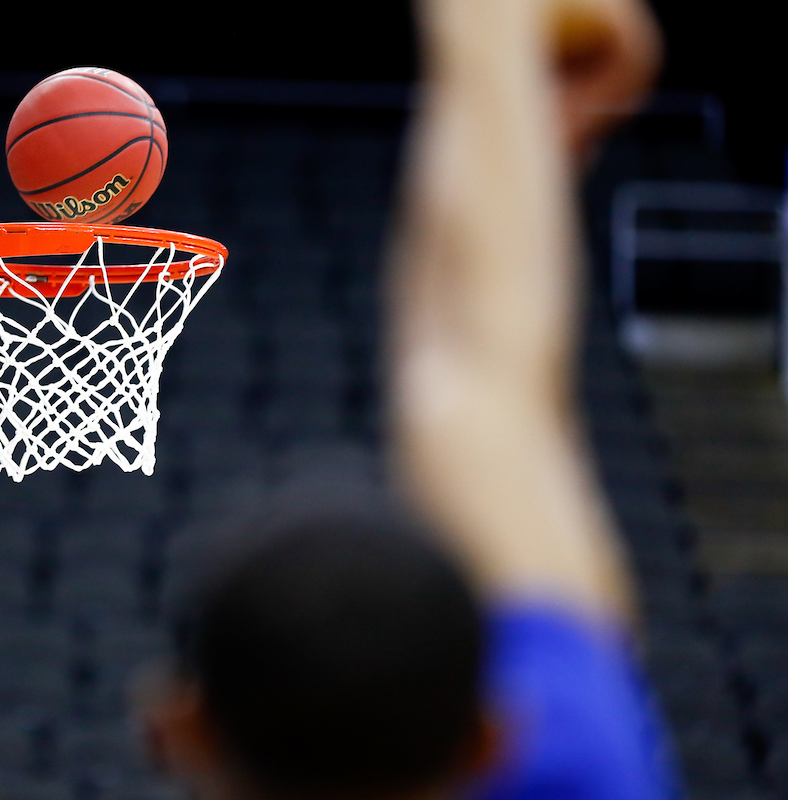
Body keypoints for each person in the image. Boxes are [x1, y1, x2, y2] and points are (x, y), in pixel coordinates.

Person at [135, 0, 675, 798]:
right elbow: (476, 372)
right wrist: (493, 47)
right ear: (492, 735)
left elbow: (473, 371)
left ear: (177, 727)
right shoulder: (575, 769)